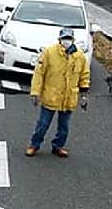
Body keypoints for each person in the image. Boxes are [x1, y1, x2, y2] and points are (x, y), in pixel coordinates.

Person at [25, 27, 91, 158]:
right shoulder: (49, 53)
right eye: (64, 39)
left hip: (68, 97)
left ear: (73, 40)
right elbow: (39, 73)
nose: (66, 41)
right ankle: (34, 145)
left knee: (64, 127)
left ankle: (58, 146)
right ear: (59, 39)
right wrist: (35, 92)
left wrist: (84, 93)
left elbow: (84, 75)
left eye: (69, 39)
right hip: (51, 95)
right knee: (43, 124)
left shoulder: (79, 57)